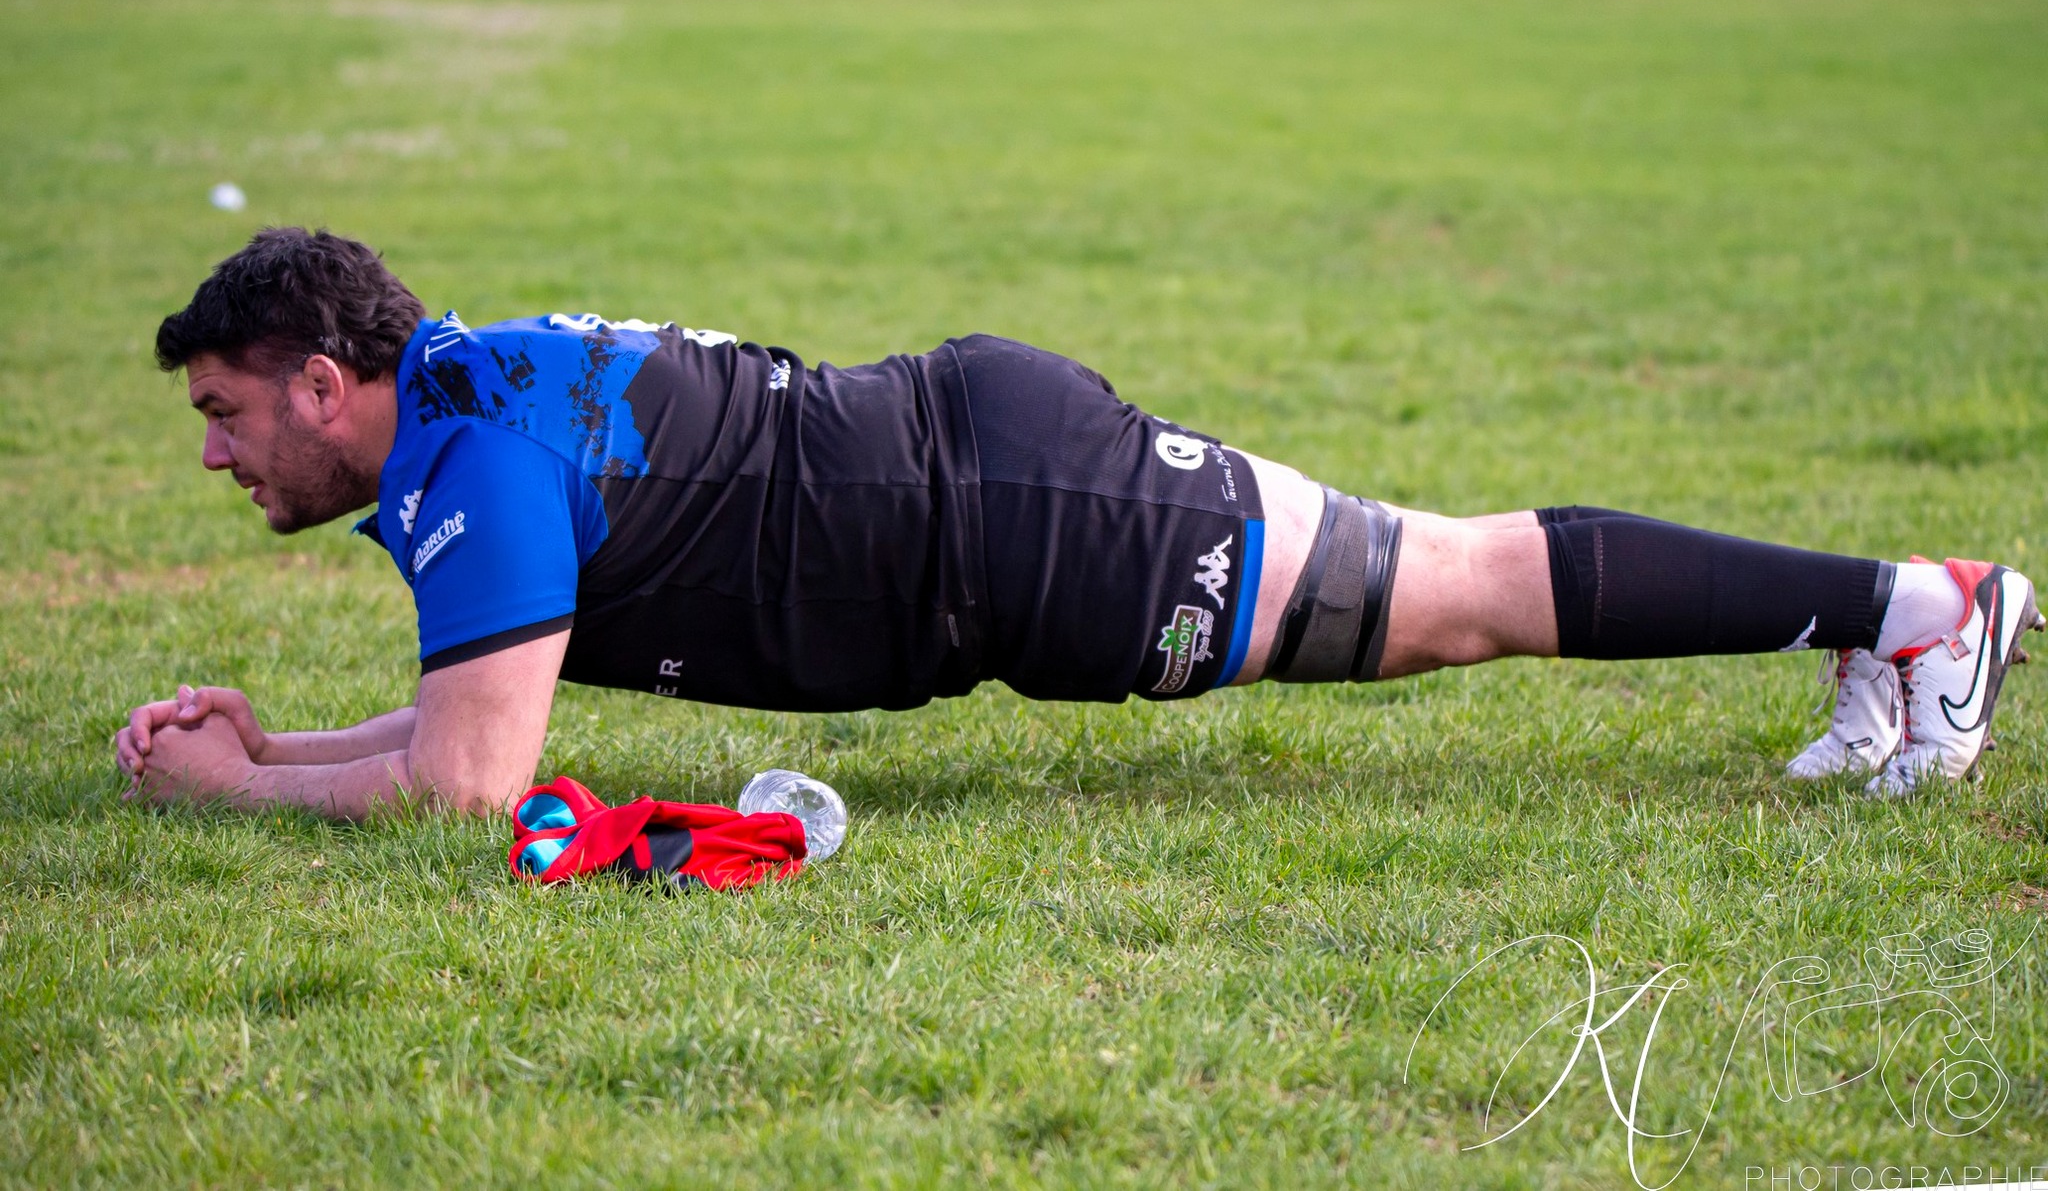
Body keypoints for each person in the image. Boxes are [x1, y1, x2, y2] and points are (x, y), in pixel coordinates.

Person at [118, 228, 2041, 820]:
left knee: (1462, 593)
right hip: (984, 474)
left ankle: (1930, 614)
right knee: (1463, 582)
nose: (218, 459)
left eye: (223, 414)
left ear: (313, 375)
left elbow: (471, 789)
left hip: (1017, 521)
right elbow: (480, 720)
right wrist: (283, 745)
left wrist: (226, 792)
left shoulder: (472, 457)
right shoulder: (464, 406)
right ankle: (1893, 631)